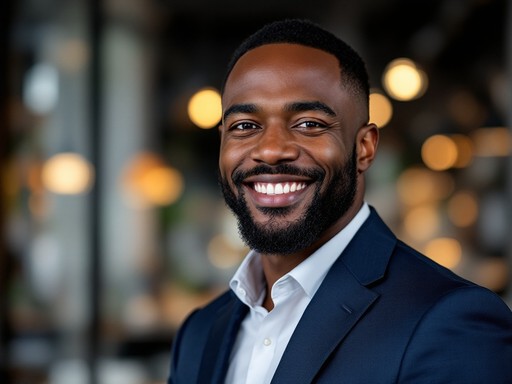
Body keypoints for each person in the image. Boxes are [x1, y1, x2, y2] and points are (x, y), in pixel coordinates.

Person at [167, 19, 512, 384]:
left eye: (309, 124)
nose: (269, 150)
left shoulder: (450, 322)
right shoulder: (200, 334)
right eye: (245, 127)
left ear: (364, 147)